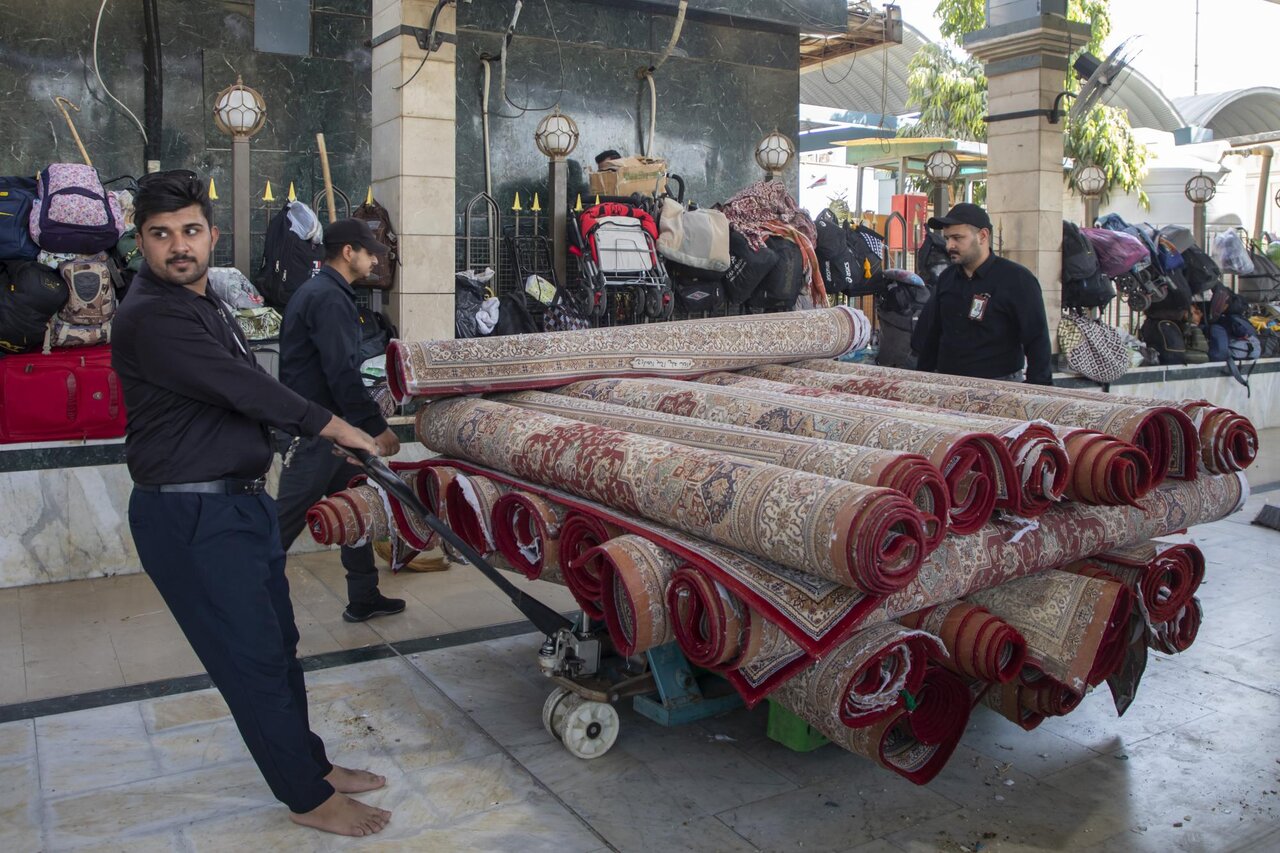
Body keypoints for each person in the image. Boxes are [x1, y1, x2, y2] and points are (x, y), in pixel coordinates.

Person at [112, 171, 392, 838]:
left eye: (189, 230)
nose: (179, 246)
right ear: (141, 242)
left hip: (237, 505)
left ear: (211, 233)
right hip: (191, 516)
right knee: (253, 657)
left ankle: (312, 764)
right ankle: (305, 795)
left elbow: (237, 402)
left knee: (278, 644)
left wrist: (322, 442)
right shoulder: (149, 315)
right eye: (161, 235)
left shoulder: (202, 304)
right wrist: (335, 427)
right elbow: (241, 386)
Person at [274, 218, 405, 624]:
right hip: (316, 432)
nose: (373, 261)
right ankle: (238, 604)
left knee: (353, 507)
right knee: (281, 526)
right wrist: (375, 428)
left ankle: (364, 596)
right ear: (349, 252)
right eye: (369, 253)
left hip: (329, 428)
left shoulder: (321, 292)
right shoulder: (329, 299)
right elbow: (341, 372)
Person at [913, 203, 1054, 385]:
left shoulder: (1017, 279)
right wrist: (922, 381)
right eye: (947, 238)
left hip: (1000, 386)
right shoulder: (947, 278)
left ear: (983, 236)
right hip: (948, 384)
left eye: (957, 238)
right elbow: (932, 333)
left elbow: (1037, 339)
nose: (949, 246)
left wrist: (1039, 391)